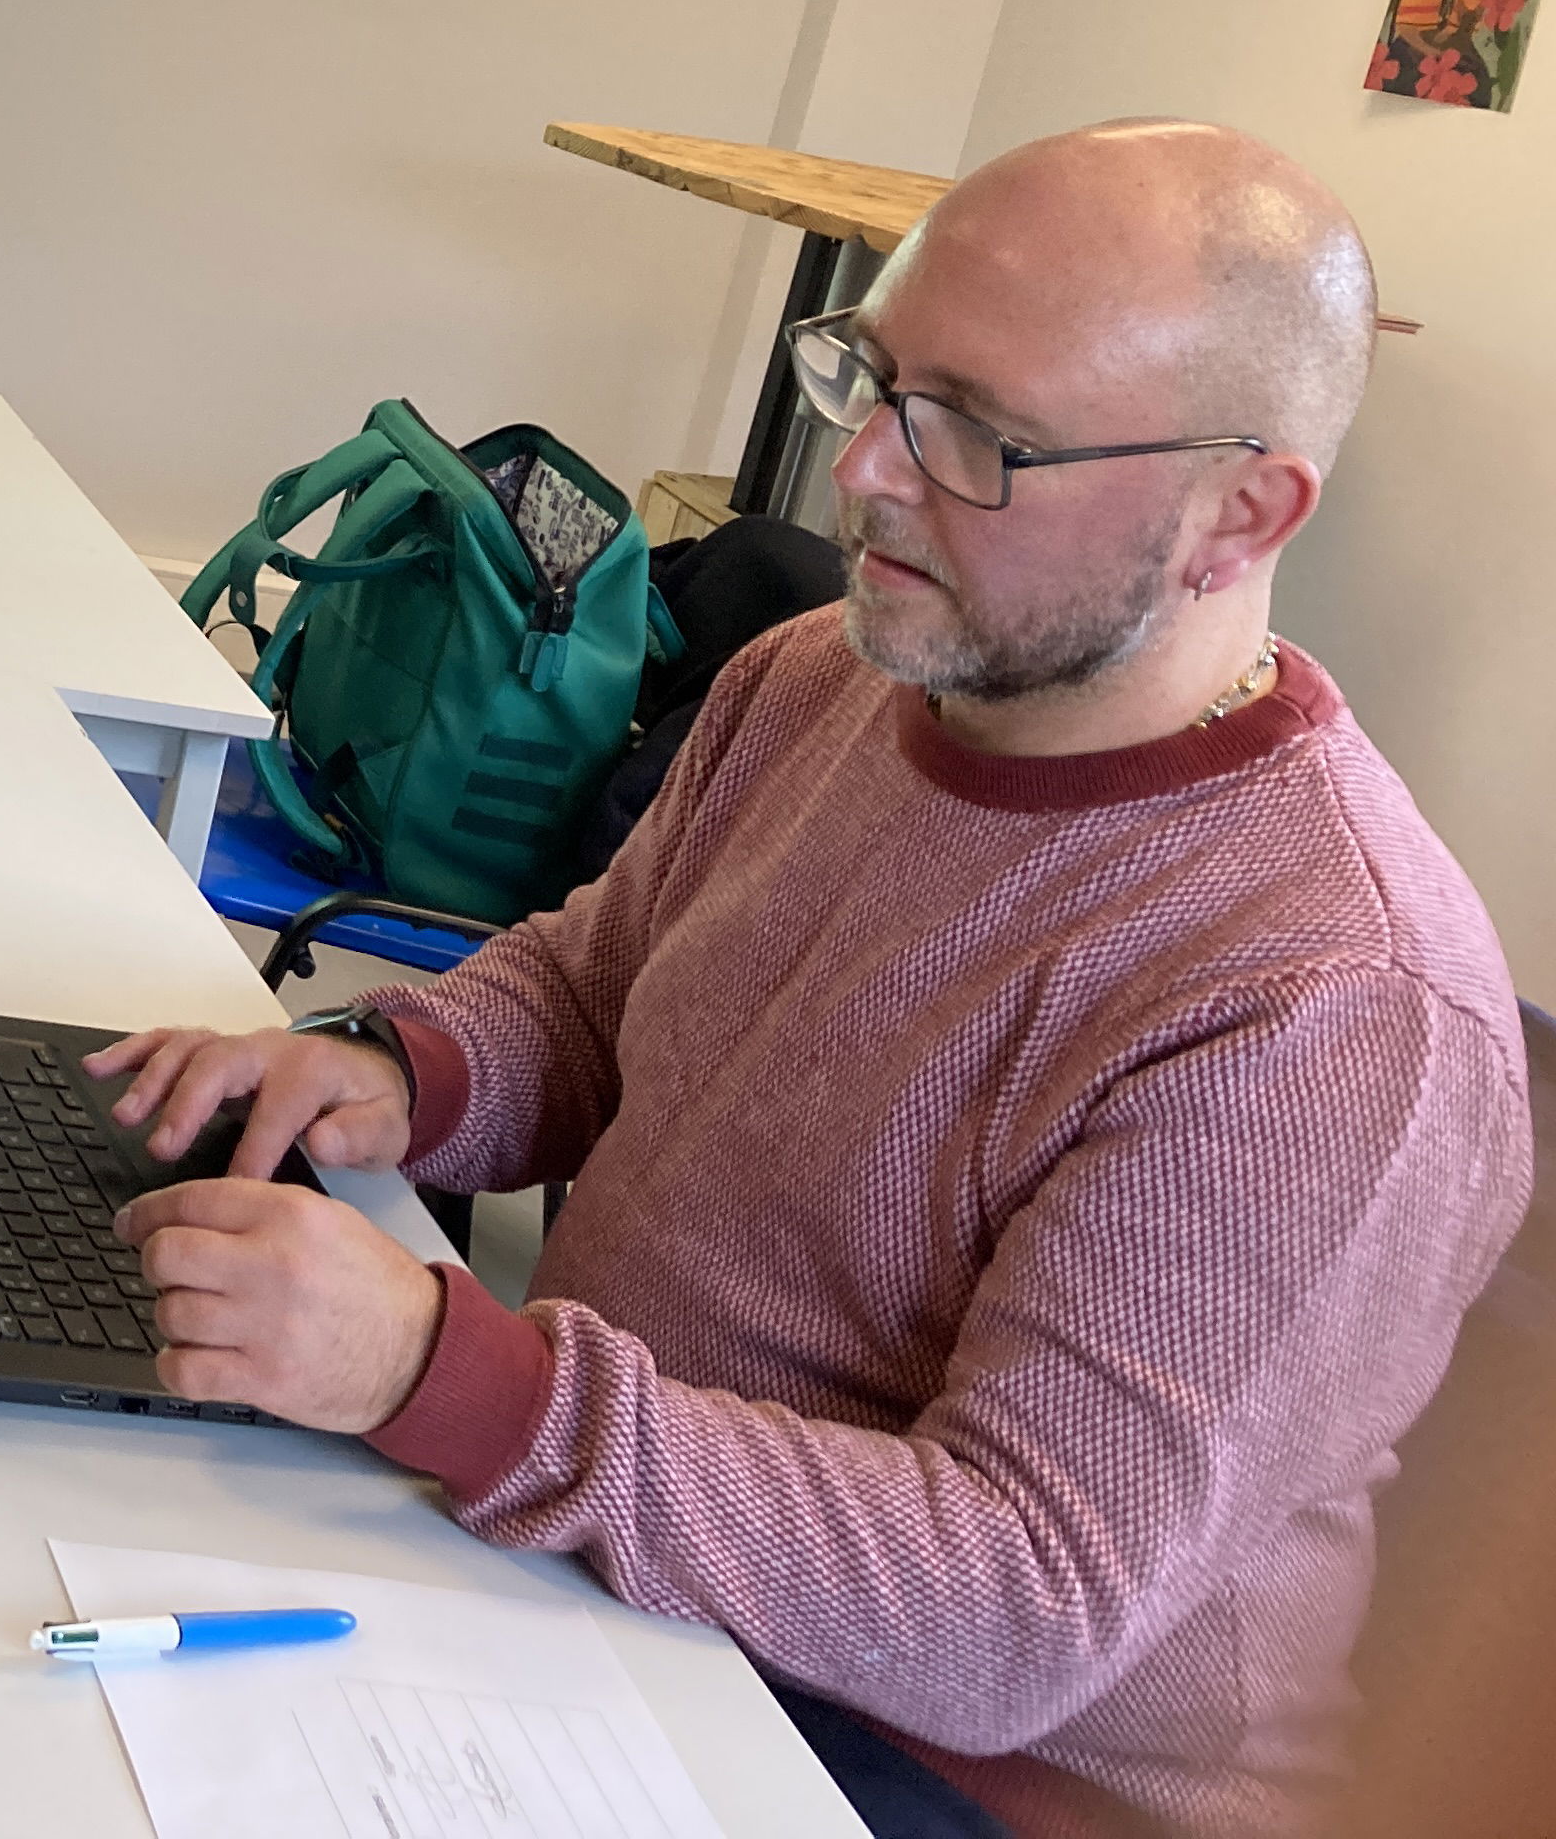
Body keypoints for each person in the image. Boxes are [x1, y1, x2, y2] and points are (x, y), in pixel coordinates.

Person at [88, 122, 1527, 1839]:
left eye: (980, 436)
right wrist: (413, 1078)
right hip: (651, 1580)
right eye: (876, 380)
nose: (863, 477)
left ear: (1244, 510)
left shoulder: (1326, 998)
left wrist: (443, 1378)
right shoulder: (825, 680)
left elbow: (1016, 1612)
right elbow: (604, 987)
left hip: (955, 1769)